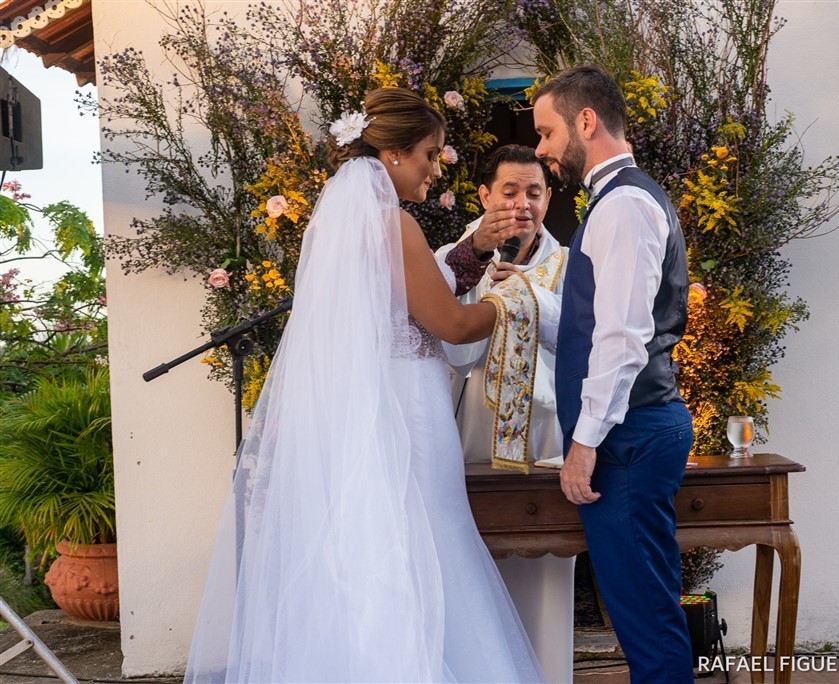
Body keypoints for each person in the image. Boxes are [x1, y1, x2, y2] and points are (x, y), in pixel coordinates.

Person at [185, 88, 544, 683]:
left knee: (382, 546)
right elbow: (451, 323)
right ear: (397, 155)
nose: (436, 167)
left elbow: (407, 299)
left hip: (374, 405)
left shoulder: (334, 226)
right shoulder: (393, 225)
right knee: (429, 537)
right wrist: (518, 300)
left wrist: (476, 253)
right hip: (410, 410)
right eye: (430, 154)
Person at [534, 65, 696, 683]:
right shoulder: (620, 198)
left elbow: (624, 341)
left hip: (628, 433)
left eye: (547, 133)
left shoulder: (624, 205)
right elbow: (594, 328)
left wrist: (584, 444)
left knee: (645, 618)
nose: (544, 150)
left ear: (585, 121)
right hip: (633, 428)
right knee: (642, 610)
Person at [435, 144, 573, 683]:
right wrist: (480, 290)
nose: (522, 204)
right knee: (472, 567)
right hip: (474, 431)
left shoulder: (566, 264)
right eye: (509, 192)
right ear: (484, 195)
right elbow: (453, 353)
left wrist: (530, 297)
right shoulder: (453, 258)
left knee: (547, 574)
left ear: (549, 199)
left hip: (545, 435)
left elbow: (581, 346)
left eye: (534, 192)